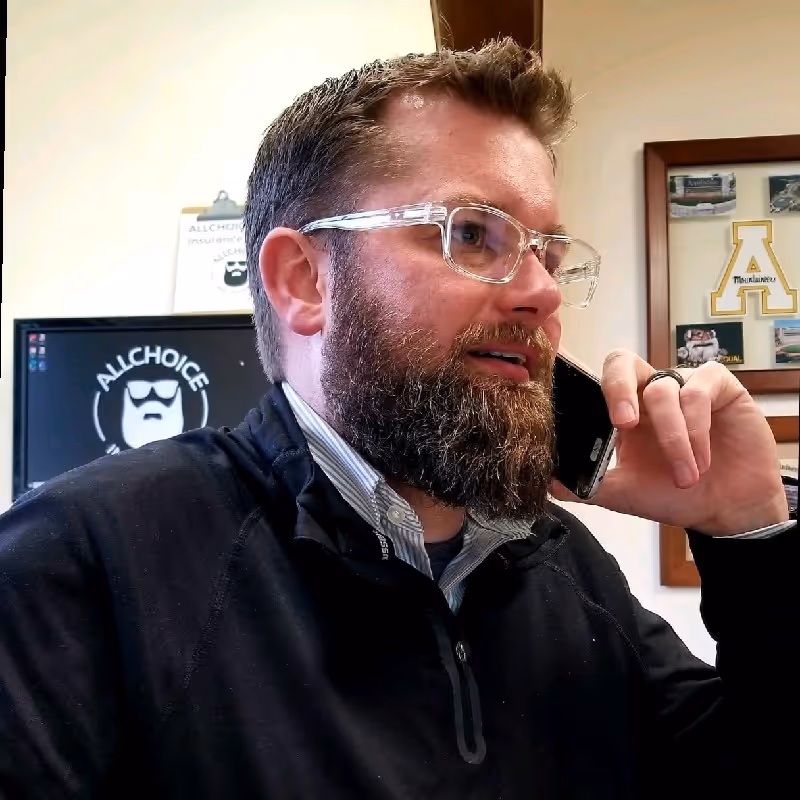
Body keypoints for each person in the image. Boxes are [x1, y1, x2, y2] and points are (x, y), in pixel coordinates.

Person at [0, 39, 796, 800]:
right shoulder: (84, 564)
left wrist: (750, 536)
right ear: (304, 281)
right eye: (473, 235)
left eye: (549, 256)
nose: (543, 293)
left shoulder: (563, 566)